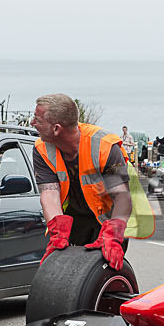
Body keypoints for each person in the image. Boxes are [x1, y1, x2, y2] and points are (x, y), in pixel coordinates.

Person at [30, 93, 154, 271]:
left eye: (37, 119)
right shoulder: (41, 149)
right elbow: (49, 192)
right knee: (68, 274)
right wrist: (57, 233)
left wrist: (114, 234)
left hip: (107, 220)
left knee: (102, 274)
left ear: (56, 129)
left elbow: (122, 196)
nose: (32, 123)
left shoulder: (104, 146)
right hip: (74, 220)